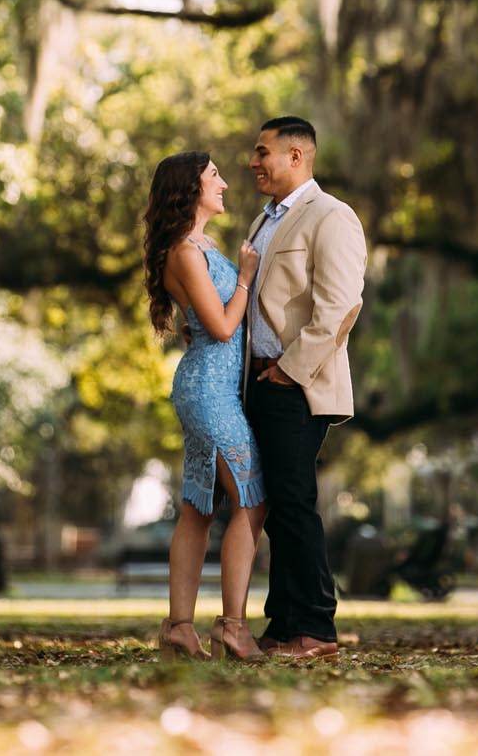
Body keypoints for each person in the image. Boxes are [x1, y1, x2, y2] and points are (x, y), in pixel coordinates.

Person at [241, 116, 366, 661]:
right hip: (260, 380)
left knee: (294, 504)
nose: (253, 162)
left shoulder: (332, 217)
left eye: (263, 151)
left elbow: (339, 308)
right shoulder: (263, 220)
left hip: (298, 382)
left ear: (297, 156)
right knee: (277, 507)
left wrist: (290, 371)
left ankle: (316, 629)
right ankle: (283, 625)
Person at [142, 150, 267, 662]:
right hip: (207, 391)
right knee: (253, 500)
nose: (225, 185)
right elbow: (219, 327)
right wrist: (245, 276)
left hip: (211, 388)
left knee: (198, 507)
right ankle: (233, 627)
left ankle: (179, 628)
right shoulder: (186, 252)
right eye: (215, 177)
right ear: (190, 188)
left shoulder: (201, 245)